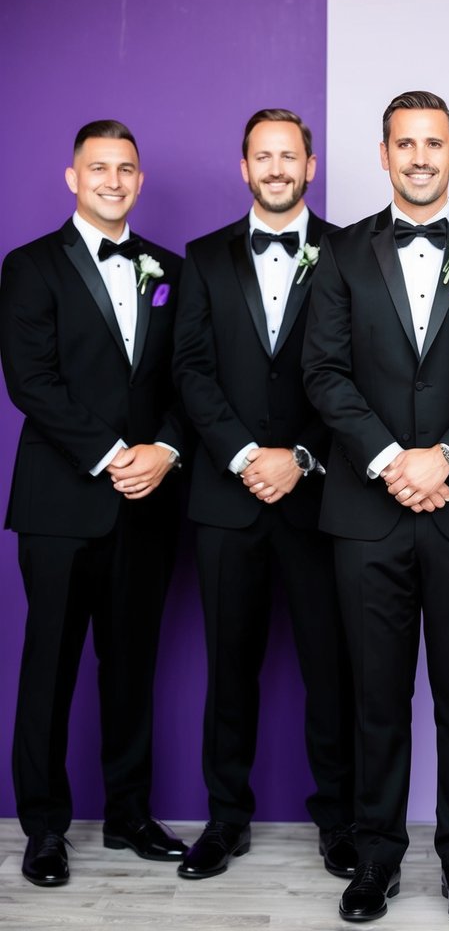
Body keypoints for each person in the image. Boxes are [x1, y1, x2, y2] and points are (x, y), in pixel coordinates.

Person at [302, 89, 449, 924]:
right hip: (366, 515)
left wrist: (445, 456)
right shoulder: (339, 256)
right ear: (384, 153)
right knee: (374, 697)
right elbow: (322, 371)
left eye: (433, 143)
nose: (419, 157)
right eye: (405, 143)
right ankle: (374, 861)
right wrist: (388, 459)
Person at [0, 120, 186, 886]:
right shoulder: (30, 265)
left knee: (131, 667)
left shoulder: (170, 270)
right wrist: (116, 457)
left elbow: (191, 381)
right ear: (72, 177)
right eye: (98, 168)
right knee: (49, 668)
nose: (114, 180)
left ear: (140, 181)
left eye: (127, 169)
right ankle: (43, 829)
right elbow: (30, 383)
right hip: (59, 503)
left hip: (147, 504)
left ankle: (128, 814)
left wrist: (165, 451)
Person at [173, 109, 355, 881]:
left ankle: (340, 823)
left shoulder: (354, 251)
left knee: (332, 668)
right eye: (262, 157)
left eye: (289, 156)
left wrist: (302, 455)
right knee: (229, 667)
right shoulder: (202, 256)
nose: (276, 169)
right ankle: (225, 819)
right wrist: (247, 455)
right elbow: (189, 369)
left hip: (324, 501)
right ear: (244, 168)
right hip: (228, 494)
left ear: (310, 166)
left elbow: (363, 371)